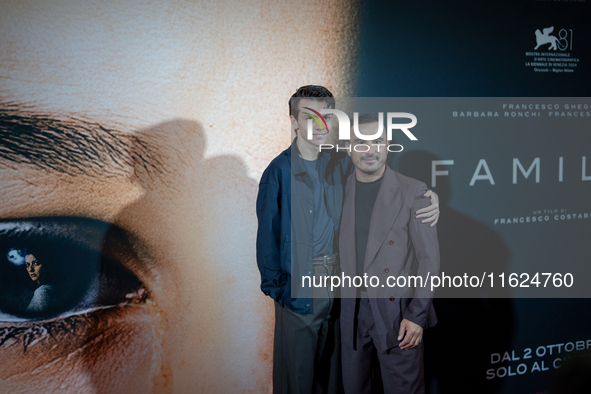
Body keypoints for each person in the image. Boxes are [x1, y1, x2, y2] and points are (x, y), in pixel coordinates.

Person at [256, 89, 440, 393]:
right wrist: (279, 290)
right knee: (305, 378)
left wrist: (430, 198)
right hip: (317, 292)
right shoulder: (284, 171)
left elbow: (427, 256)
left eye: (325, 117)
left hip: (359, 296)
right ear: (294, 122)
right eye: (309, 117)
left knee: (339, 378)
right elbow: (268, 237)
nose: (318, 125)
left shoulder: (339, 165)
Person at [338, 114, 440, 394]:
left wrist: (417, 316)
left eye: (377, 142)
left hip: (397, 316)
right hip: (351, 313)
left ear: (388, 145)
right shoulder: (338, 190)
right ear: (349, 147)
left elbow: (429, 261)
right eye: (360, 143)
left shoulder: (414, 191)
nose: (369, 150)